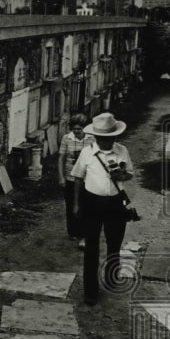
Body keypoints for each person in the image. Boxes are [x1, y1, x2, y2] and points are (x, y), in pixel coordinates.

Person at [71, 112, 135, 306]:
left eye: (109, 138)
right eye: (102, 138)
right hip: (92, 203)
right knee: (91, 247)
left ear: (114, 136)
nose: (106, 141)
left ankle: (111, 276)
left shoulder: (122, 151)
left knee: (114, 242)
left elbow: (130, 174)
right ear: (96, 137)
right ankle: (91, 291)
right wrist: (76, 204)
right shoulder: (87, 153)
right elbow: (78, 178)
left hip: (115, 203)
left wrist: (122, 176)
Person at [57, 113, 92, 247]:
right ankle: (73, 231)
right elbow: (61, 158)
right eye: (74, 129)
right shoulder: (67, 138)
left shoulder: (91, 139)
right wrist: (61, 177)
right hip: (70, 177)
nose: (76, 131)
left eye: (79, 129)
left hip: (86, 179)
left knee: (85, 205)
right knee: (71, 204)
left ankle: (84, 234)